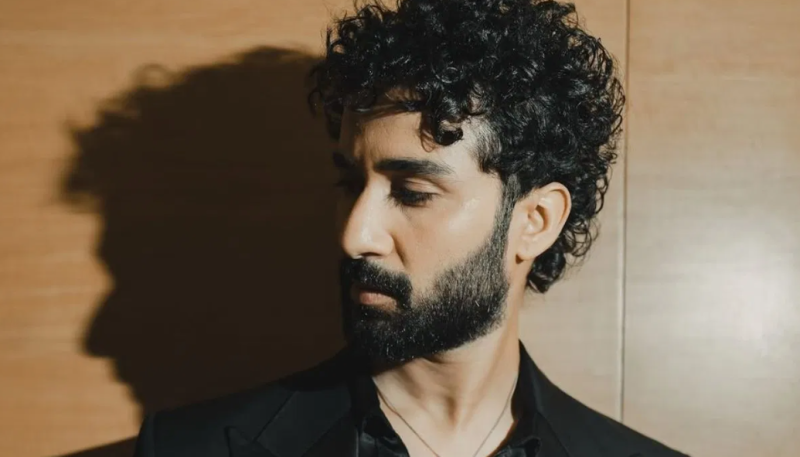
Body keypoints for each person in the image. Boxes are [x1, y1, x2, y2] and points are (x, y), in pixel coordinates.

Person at [133, 0, 689, 456]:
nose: (355, 235)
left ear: (534, 222)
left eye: (412, 193)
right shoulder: (186, 448)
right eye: (350, 183)